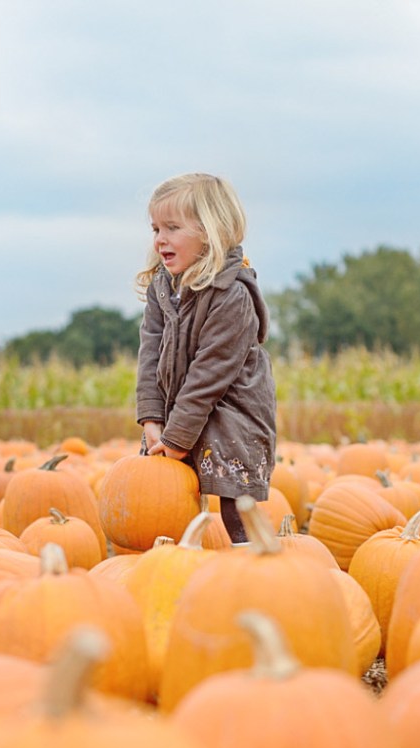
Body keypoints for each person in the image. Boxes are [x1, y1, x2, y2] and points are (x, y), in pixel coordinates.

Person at [134, 172, 276, 544]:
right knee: (163, 494)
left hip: (231, 411)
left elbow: (210, 374)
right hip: (178, 407)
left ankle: (253, 561)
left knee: (234, 496)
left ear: (211, 232)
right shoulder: (163, 288)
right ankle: (176, 565)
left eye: (172, 227)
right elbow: (150, 352)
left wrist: (178, 436)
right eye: (155, 229)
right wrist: (152, 418)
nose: (160, 239)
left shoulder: (232, 296)